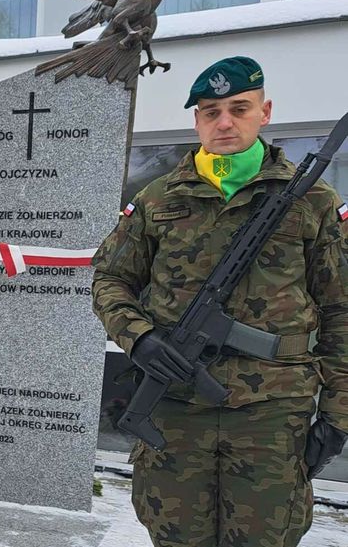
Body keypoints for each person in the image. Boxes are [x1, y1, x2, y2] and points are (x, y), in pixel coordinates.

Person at [92, 56, 348, 547]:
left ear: (265, 112)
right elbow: (110, 278)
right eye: (211, 112)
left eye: (239, 108)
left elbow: (341, 310)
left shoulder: (312, 200)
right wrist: (139, 338)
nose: (224, 122)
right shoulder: (157, 198)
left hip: (271, 414)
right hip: (174, 409)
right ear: (197, 120)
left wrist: (338, 414)